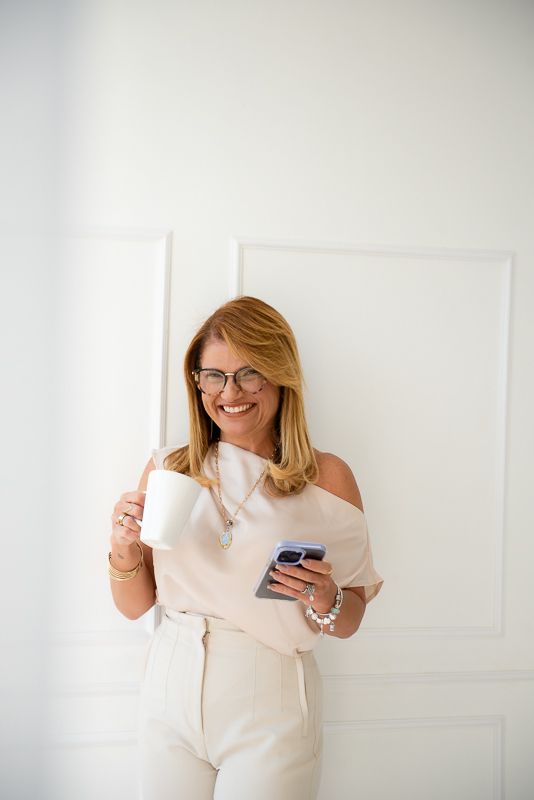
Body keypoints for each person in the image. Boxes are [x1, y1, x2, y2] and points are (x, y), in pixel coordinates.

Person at [109, 296, 383, 800]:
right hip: (170, 679)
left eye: (248, 374)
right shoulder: (169, 467)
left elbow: (351, 618)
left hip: (270, 691)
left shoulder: (328, 478)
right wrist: (123, 546)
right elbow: (134, 606)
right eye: (213, 375)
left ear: (281, 376)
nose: (228, 392)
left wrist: (326, 597)